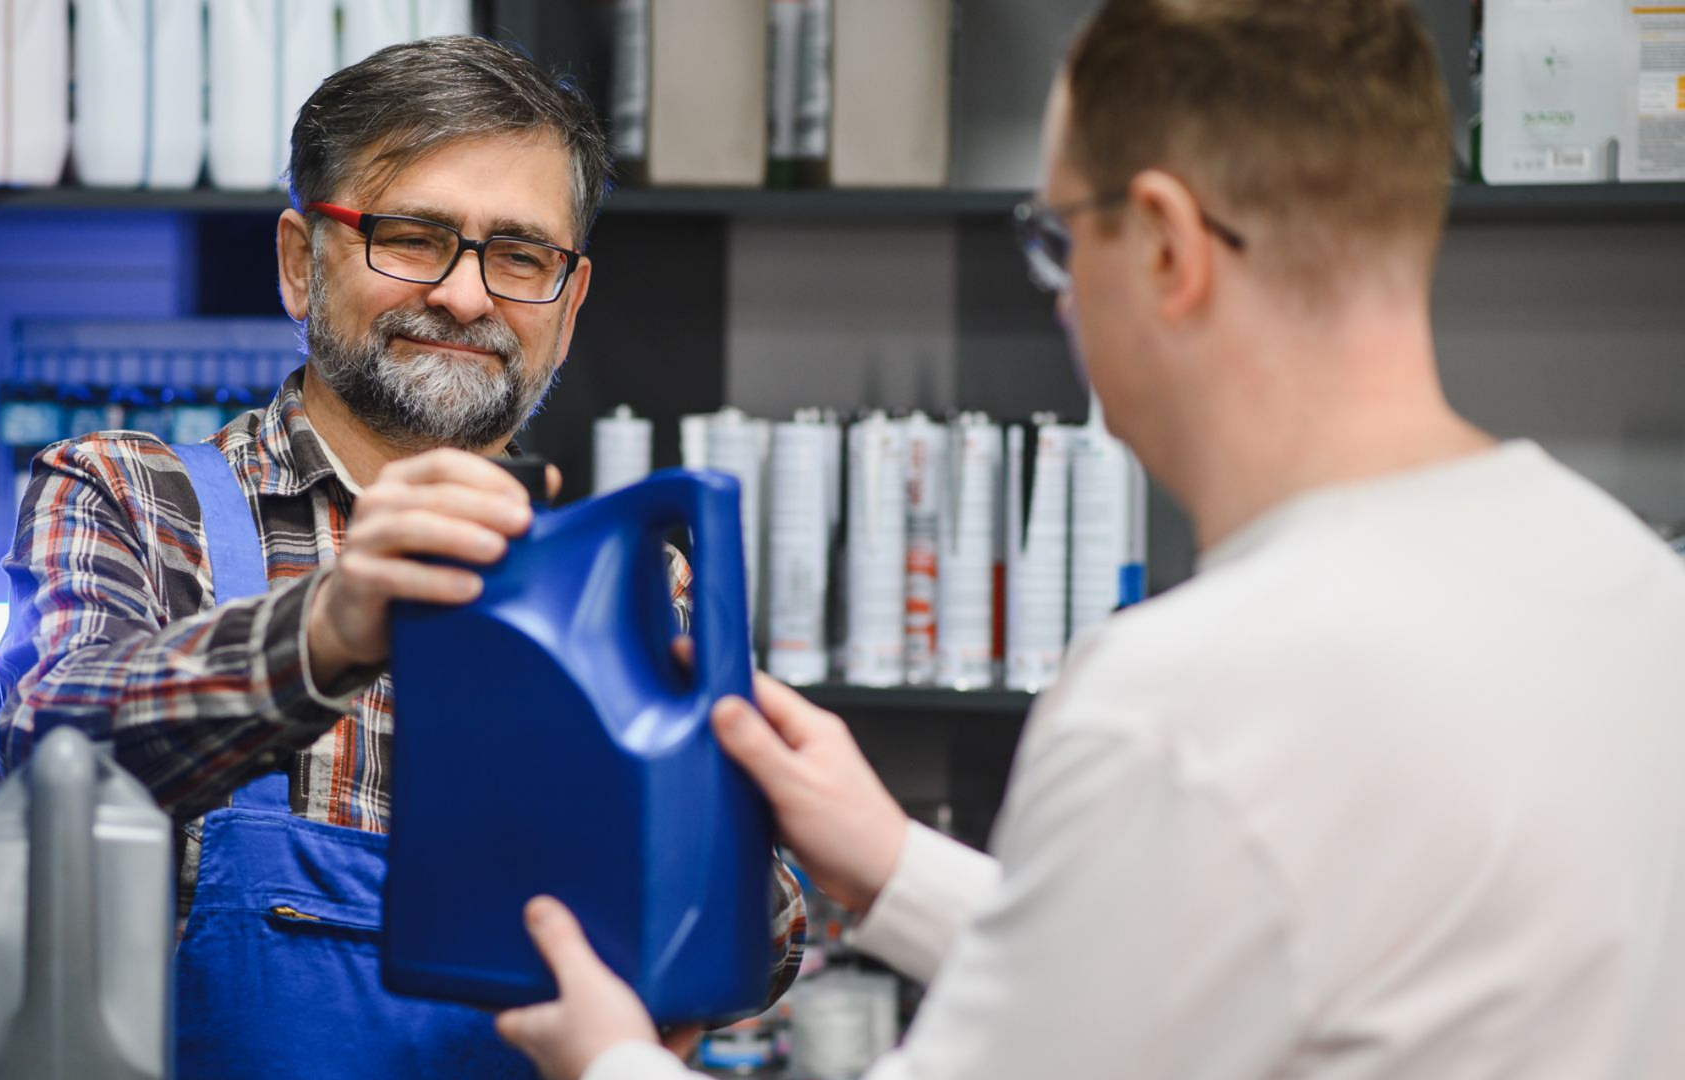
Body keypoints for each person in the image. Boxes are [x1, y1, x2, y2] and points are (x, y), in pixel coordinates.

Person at [494, 1, 1685, 1077]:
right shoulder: (1628, 586)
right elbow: (1250, 961)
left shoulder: (1185, 701)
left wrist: (611, 1060)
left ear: (1165, 247)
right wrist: (896, 866)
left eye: (1059, 241)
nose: (1061, 299)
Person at [0, 37, 802, 1079]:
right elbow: (51, 746)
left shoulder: (629, 581)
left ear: (569, 305)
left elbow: (753, 953)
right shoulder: (132, 497)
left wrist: (678, 817)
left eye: (521, 256)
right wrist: (328, 628)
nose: (466, 296)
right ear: (301, 261)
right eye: (413, 238)